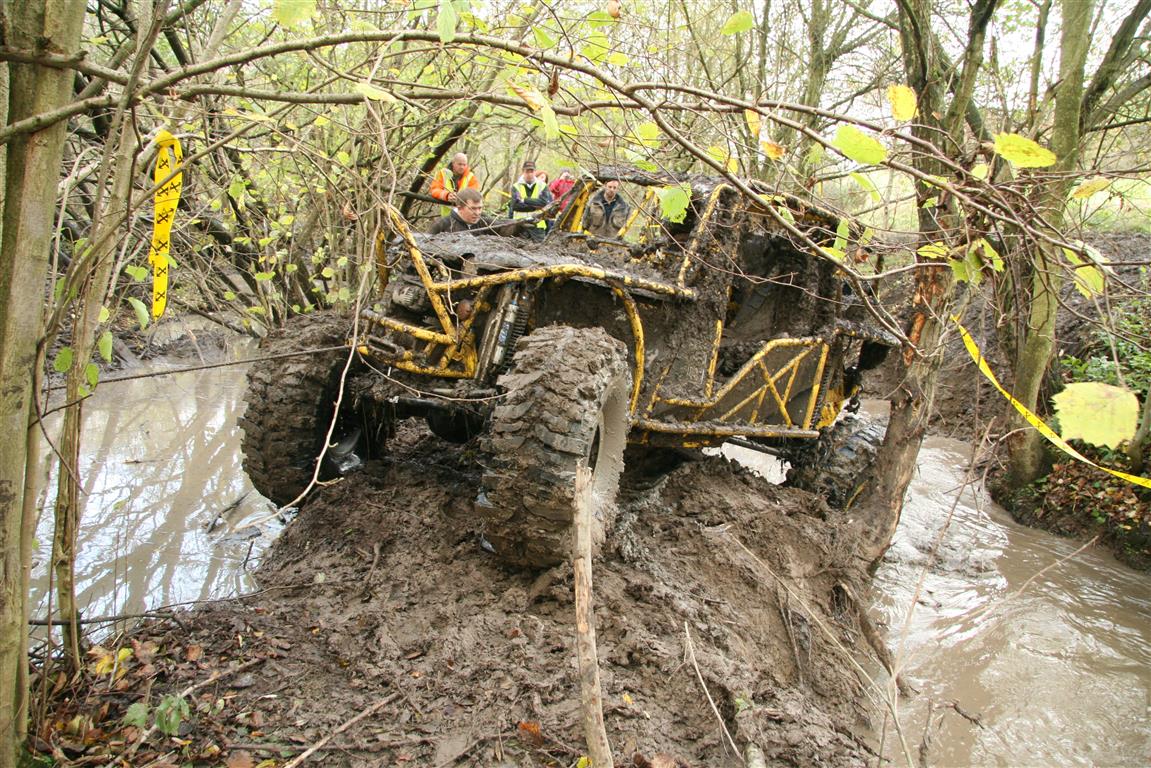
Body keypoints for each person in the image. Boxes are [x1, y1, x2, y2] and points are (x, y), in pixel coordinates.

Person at [427, 188, 525, 236]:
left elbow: (503, 227)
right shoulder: (442, 225)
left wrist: (521, 224)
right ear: (460, 208)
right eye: (473, 209)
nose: (477, 213)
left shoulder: (483, 222)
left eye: (480, 208)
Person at [508, 160, 552, 241]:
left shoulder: (543, 186)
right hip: (519, 225)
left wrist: (524, 200)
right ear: (523, 172)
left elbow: (543, 203)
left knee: (539, 248)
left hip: (538, 225)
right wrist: (535, 207)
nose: (529, 174)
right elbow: (515, 206)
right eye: (527, 171)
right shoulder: (516, 186)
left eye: (531, 171)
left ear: (535, 172)